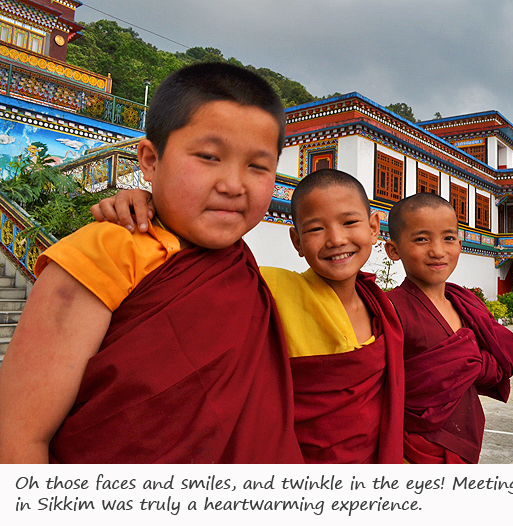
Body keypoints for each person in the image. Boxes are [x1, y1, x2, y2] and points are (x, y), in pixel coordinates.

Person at [0, 63, 303, 464]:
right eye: (209, 156)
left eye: (259, 166)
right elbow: (17, 436)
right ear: (149, 160)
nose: (233, 184)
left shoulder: (243, 271)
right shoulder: (105, 250)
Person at [90, 169, 405, 464]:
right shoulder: (268, 289)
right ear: (296, 241)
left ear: (374, 227)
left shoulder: (383, 309)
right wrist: (148, 207)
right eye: (316, 229)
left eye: (349, 223)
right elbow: (185, 269)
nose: (336, 239)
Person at [384, 193, 513, 464]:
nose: (438, 251)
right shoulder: (389, 308)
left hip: (465, 434)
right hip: (412, 448)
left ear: (460, 244)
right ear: (394, 250)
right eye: (421, 239)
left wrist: (471, 362)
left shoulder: (465, 302)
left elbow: (506, 358)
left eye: (448, 238)